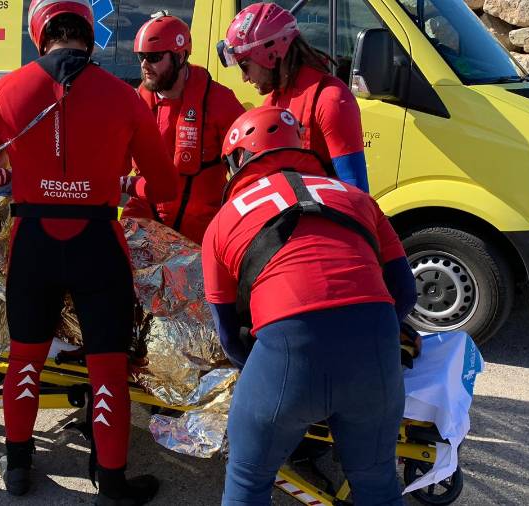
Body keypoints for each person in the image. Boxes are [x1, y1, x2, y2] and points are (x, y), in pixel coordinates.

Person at [0, 0, 179, 502]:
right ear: (89, 37)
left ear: (40, 38)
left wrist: (9, 175)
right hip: (98, 243)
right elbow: (165, 183)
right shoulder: (123, 95)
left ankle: (16, 469)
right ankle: (114, 483)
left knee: (24, 361)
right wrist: (122, 185)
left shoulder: (6, 89)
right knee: (107, 369)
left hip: (32, 242)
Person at [201, 106, 416, 505]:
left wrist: (275, 372)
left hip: (288, 346)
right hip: (374, 342)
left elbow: (229, 336)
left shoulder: (223, 220)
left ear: (239, 159)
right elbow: (405, 292)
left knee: (248, 479)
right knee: (376, 480)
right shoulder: (356, 197)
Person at [120, 12, 245, 244]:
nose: (145, 65)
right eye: (141, 57)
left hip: (203, 233)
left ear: (179, 56)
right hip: (146, 224)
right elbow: (113, 164)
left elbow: (251, 170)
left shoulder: (219, 101)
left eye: (154, 57)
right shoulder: (136, 103)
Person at [218, 3, 370, 193]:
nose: (245, 78)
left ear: (270, 54)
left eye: (244, 65)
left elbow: (357, 194)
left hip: (321, 219)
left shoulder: (331, 100)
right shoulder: (273, 102)